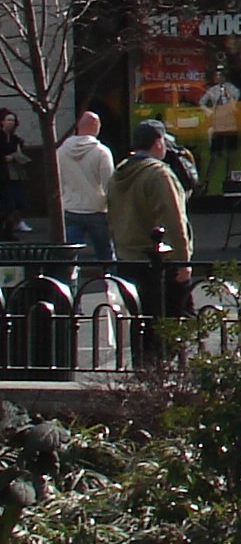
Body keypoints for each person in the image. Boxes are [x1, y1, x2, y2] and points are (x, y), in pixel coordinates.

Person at [107, 120, 193, 364]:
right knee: (171, 322)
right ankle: (170, 373)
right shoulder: (158, 174)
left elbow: (112, 216)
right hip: (159, 263)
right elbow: (173, 220)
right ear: (158, 143)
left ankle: (144, 372)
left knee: (140, 322)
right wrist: (182, 262)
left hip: (128, 257)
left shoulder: (120, 173)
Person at [55, 111, 115, 262]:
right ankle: (110, 284)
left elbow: (58, 182)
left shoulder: (60, 152)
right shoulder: (102, 152)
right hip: (97, 209)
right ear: (96, 126)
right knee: (106, 256)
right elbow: (109, 184)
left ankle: (70, 284)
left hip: (70, 209)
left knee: (70, 258)